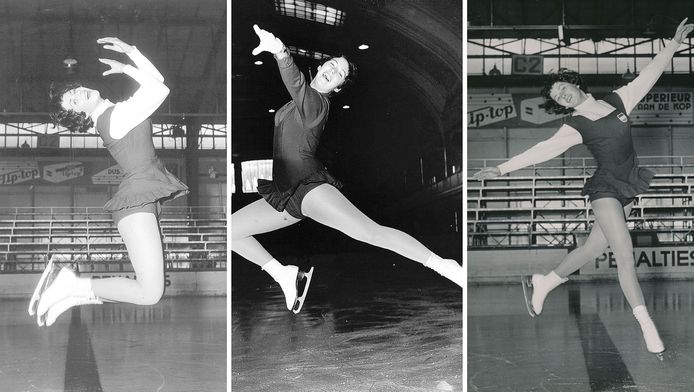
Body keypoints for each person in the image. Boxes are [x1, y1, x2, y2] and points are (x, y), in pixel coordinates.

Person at [473, 18, 694, 355]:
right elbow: (539, 151)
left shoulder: (620, 100)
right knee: (624, 253)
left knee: (591, 249)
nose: (561, 94)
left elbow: (650, 73)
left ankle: (544, 281)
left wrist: (674, 46)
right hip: (605, 189)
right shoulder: (573, 126)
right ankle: (646, 323)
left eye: (562, 87)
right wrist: (501, 169)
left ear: (573, 83)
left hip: (628, 186)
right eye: (557, 97)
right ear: (561, 105)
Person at [231, 25, 462, 314]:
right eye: (331, 64)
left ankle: (445, 266)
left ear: (337, 87)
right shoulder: (301, 101)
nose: (332, 70)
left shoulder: (317, 105)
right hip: (286, 192)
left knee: (370, 233)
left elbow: (297, 83)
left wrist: (280, 52)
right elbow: (298, 90)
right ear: (320, 66)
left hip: (308, 187)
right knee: (230, 231)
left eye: (338, 73)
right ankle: (284, 274)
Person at [28, 37, 189, 327]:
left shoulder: (117, 112)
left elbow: (156, 81)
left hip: (142, 199)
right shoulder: (115, 118)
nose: (78, 94)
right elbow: (160, 89)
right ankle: (72, 286)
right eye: (73, 101)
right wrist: (128, 65)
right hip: (136, 201)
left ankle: (73, 294)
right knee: (150, 292)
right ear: (80, 116)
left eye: (74, 91)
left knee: (150, 291)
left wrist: (131, 53)